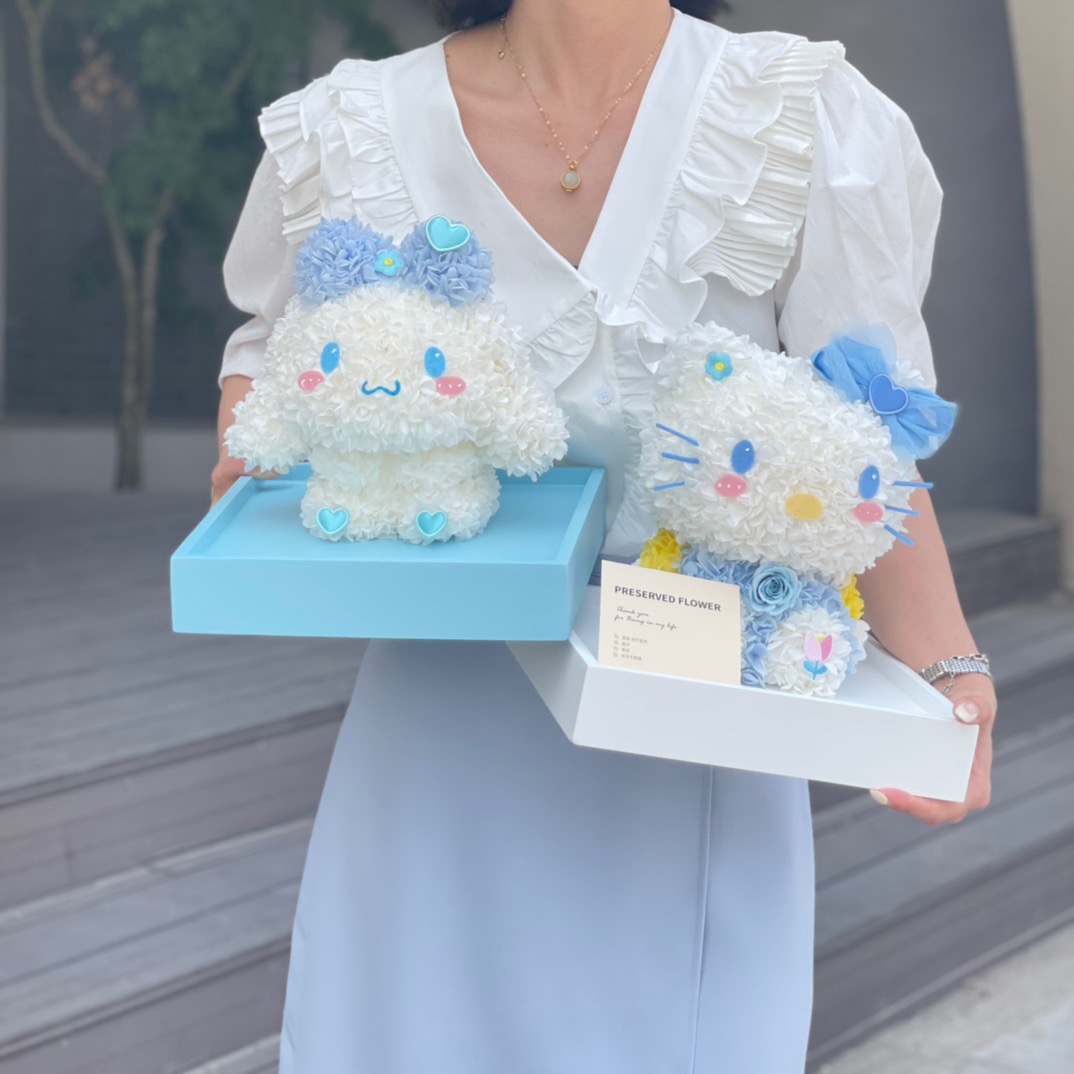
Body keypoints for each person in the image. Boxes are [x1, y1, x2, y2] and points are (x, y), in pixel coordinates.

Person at [211, 1, 997, 1070]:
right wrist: (263, 457)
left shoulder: (798, 115)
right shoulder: (347, 129)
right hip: (437, 741)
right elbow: (267, 375)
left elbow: (866, 443)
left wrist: (949, 673)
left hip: (702, 728)